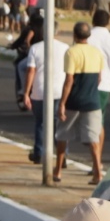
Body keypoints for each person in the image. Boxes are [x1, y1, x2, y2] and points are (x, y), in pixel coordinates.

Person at [55, 21, 107, 184]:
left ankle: (57, 171)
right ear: (88, 35)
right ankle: (97, 172)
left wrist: (62, 103)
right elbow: (99, 78)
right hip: (92, 101)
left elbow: (69, 79)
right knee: (94, 139)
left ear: (74, 35)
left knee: (63, 135)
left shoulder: (71, 52)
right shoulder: (97, 53)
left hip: (74, 101)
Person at [20, 19, 68, 165]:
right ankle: (62, 156)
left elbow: (30, 71)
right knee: (59, 125)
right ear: (57, 32)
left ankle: (39, 152)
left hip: (40, 91)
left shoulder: (35, 48)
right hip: (60, 91)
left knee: (41, 123)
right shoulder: (65, 47)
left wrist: (26, 93)